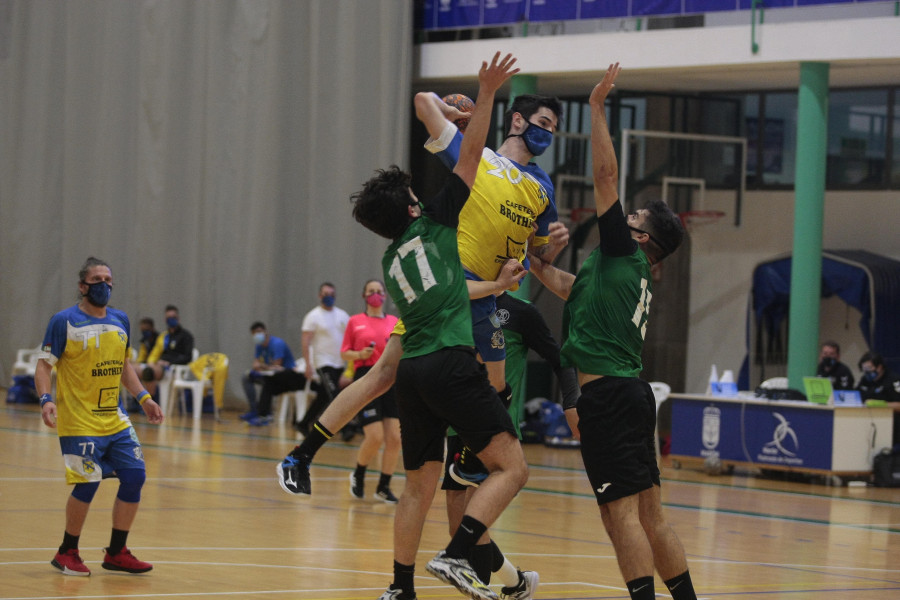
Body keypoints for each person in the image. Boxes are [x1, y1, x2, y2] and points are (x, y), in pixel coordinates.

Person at [352, 52, 526, 600]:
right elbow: (471, 156)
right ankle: (456, 555)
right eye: (410, 196)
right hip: (451, 363)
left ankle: (399, 587)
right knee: (512, 468)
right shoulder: (434, 225)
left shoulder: (390, 262)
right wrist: (487, 95)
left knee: (416, 490)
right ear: (409, 209)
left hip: (412, 374)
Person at [524, 63, 698, 600]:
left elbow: (604, 179)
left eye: (634, 216)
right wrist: (534, 262)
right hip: (631, 394)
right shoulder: (613, 273)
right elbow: (569, 287)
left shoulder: (625, 254)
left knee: (618, 514)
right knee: (650, 513)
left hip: (608, 398)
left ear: (642, 237)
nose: (625, 217)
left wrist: (597, 108)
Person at [34, 257, 165, 577]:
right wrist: (46, 400)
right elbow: (44, 365)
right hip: (79, 421)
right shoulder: (64, 320)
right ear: (82, 286)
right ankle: (67, 551)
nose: (104, 285)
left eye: (108, 279)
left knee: (135, 477)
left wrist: (144, 397)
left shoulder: (120, 320)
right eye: (97, 279)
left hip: (115, 419)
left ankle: (117, 552)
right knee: (87, 482)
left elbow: (122, 366)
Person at [341, 279, 402, 503]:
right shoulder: (355, 321)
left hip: (391, 379)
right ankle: (358, 474)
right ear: (364, 295)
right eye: (371, 291)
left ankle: (383, 486)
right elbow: (344, 353)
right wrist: (359, 355)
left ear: (385, 296)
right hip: (366, 377)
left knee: (395, 438)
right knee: (375, 436)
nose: (376, 294)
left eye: (379, 291)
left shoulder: (395, 321)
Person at [295, 282, 350, 434]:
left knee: (324, 396)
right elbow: (305, 341)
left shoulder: (342, 315)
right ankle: (346, 428)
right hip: (323, 362)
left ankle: (303, 422)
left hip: (339, 362)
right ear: (320, 296)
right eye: (326, 294)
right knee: (334, 394)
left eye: (332, 295)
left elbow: (350, 337)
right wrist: (308, 364)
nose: (329, 297)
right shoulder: (313, 316)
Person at [242, 322, 306, 426]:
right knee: (247, 377)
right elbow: (255, 364)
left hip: (287, 377)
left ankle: (264, 415)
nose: (256, 335)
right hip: (270, 374)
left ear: (265, 331)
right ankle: (254, 410)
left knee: (268, 382)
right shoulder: (259, 346)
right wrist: (262, 366)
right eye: (254, 333)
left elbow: (277, 366)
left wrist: (262, 366)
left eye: (259, 332)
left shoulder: (277, 343)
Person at [139, 304, 195, 398]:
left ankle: (151, 400)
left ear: (178, 318)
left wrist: (169, 362)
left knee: (148, 372)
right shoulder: (164, 336)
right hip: (160, 365)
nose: (171, 320)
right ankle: (136, 400)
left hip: (173, 368)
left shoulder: (186, 336)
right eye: (168, 318)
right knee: (134, 370)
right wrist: (151, 363)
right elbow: (155, 353)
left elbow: (188, 357)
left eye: (173, 317)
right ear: (165, 320)